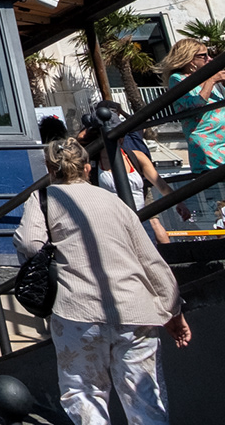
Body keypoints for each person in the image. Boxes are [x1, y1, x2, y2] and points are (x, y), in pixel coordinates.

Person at [14, 137, 189, 425]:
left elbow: (31, 244)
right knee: (145, 399)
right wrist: (173, 312)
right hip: (135, 310)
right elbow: (150, 260)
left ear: (49, 168)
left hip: (77, 312)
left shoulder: (44, 198)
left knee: (84, 393)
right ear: (87, 168)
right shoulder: (114, 201)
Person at [158, 37, 224, 219]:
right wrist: (211, 80)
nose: (209, 59)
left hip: (222, 138)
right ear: (189, 59)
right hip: (206, 142)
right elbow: (195, 103)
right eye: (203, 56)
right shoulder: (177, 79)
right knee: (218, 189)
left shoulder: (208, 77)